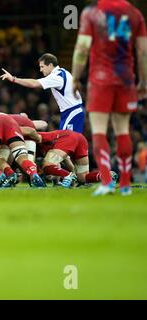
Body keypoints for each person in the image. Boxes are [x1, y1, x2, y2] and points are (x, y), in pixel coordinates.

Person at [71, 0, 147, 196]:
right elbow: (143, 51)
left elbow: (82, 49)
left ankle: (106, 182)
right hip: (125, 79)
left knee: (99, 131)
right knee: (123, 131)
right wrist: (143, 82)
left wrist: (76, 77)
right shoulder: (135, 14)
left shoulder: (92, 13)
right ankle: (125, 184)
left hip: (100, 80)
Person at [0, 53, 85, 133]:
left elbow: (33, 83)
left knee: (69, 142)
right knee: (68, 141)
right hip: (70, 111)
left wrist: (14, 79)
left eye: (42, 67)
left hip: (72, 112)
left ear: (50, 65)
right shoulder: (64, 72)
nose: (40, 70)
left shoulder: (56, 77)